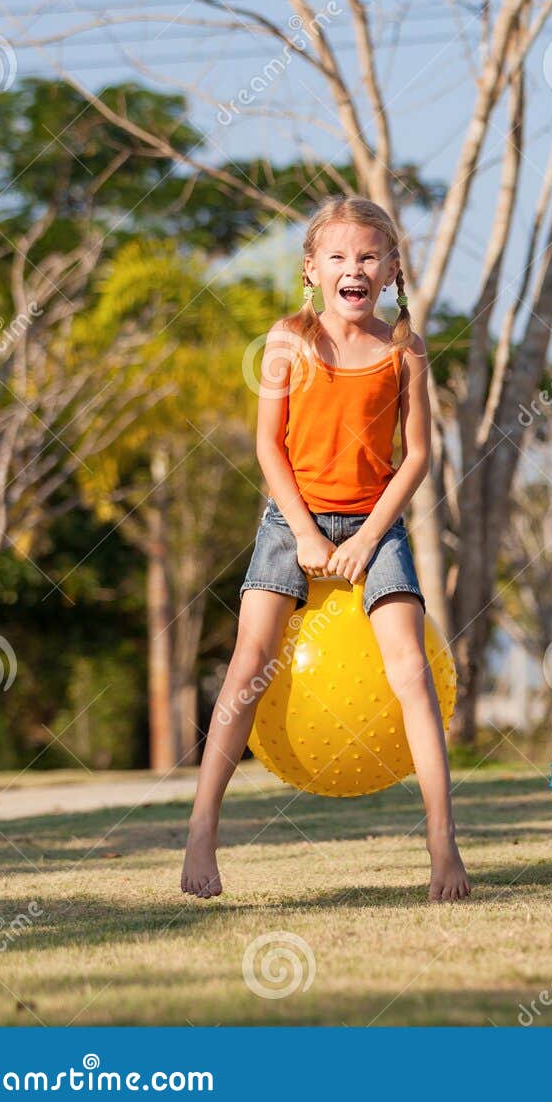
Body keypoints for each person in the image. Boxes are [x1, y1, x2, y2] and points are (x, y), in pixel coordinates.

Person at [181, 195, 470, 901]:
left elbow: (419, 456)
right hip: (291, 520)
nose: (355, 268)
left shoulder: (405, 348)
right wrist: (305, 531)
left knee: (411, 673)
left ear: (393, 269)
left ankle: (444, 849)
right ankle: (200, 831)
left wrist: (372, 536)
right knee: (248, 663)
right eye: (338, 256)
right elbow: (267, 446)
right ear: (311, 270)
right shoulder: (288, 339)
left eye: (370, 256)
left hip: (376, 522)